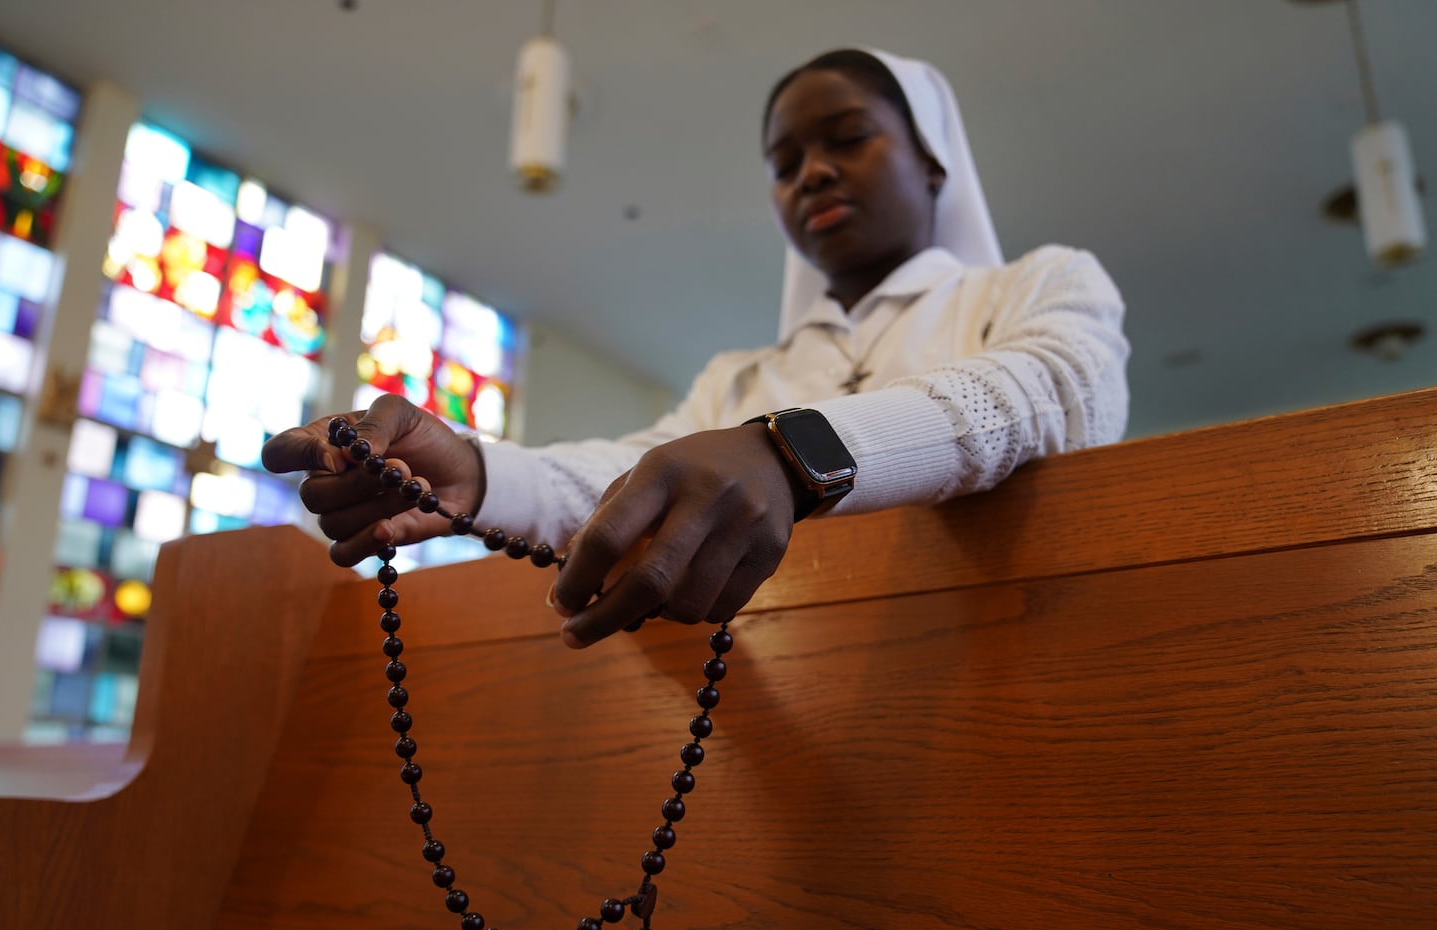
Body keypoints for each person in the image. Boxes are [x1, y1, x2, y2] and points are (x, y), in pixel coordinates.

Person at [262, 47, 1129, 649]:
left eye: (847, 137)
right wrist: (480, 477)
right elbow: (630, 471)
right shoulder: (741, 379)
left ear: (932, 162)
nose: (811, 174)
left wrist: (789, 455)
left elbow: (1044, 394)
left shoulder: (1039, 286)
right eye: (784, 163)